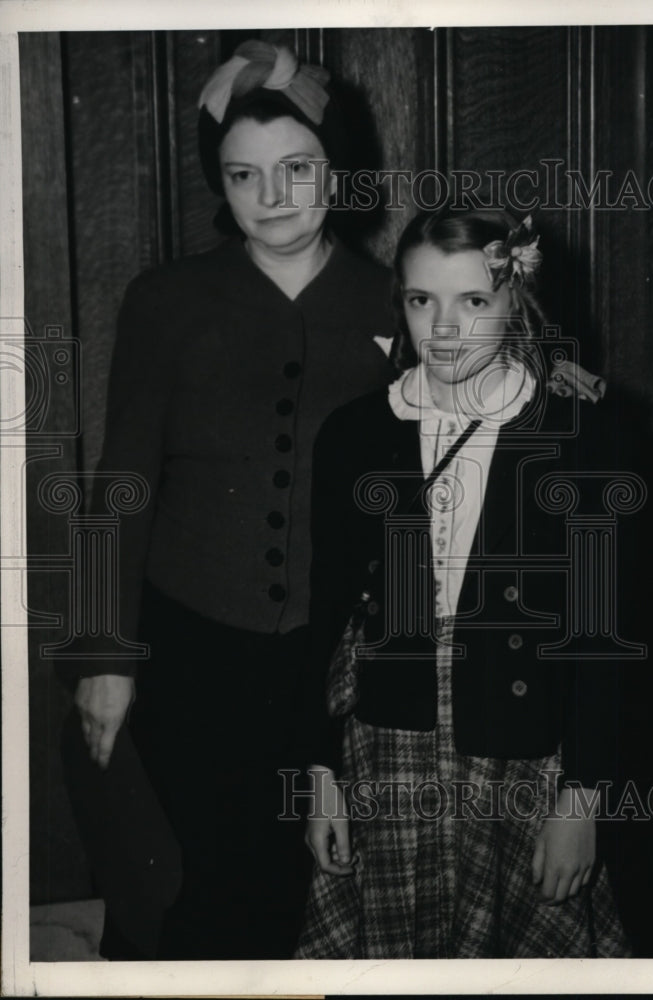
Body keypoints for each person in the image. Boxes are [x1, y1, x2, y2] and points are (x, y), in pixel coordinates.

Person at [68, 39, 394, 960]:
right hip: (190, 645)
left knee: (306, 893)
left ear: (339, 170)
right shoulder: (167, 300)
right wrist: (105, 657)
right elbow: (120, 481)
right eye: (246, 175)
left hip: (330, 661)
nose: (275, 195)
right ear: (222, 181)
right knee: (183, 886)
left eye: (299, 168)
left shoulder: (391, 301)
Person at [296, 207, 636, 958]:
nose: (444, 328)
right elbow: (324, 619)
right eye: (422, 301)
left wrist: (580, 800)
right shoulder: (355, 434)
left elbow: (600, 639)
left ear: (515, 302)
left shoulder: (577, 435)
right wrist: (320, 771)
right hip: (388, 738)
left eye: (473, 302)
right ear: (401, 305)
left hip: (519, 741)